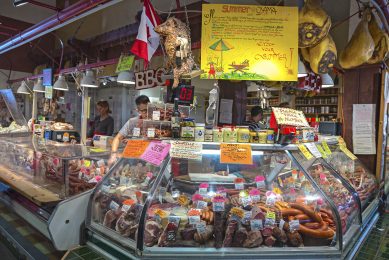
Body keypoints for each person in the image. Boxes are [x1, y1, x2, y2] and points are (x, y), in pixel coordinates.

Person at [109, 95, 150, 164]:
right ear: (138, 110)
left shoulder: (157, 123)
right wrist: (113, 153)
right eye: (143, 111)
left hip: (150, 159)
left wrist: (134, 141)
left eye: (148, 110)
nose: (146, 113)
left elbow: (156, 142)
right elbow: (117, 138)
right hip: (134, 159)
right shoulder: (133, 122)